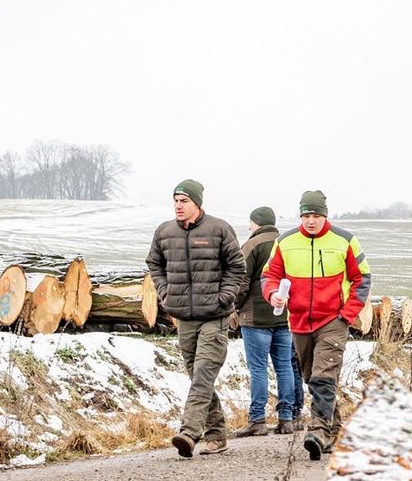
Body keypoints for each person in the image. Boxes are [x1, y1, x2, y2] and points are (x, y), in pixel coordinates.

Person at [261, 190, 371, 461]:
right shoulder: (285, 241)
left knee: (324, 375)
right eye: (306, 215)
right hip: (298, 321)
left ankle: (319, 432)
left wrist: (347, 314)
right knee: (312, 377)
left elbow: (362, 279)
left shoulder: (345, 241)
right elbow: (269, 275)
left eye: (316, 215)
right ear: (301, 215)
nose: (311, 220)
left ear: (325, 215)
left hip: (333, 320)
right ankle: (335, 429)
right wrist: (273, 293)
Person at [147, 179, 247, 459]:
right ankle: (216, 434)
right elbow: (154, 263)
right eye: (176, 201)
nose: (179, 206)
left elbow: (237, 267)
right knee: (197, 376)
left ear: (197, 203)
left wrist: (224, 297)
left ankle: (189, 432)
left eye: (184, 201)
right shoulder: (164, 232)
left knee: (203, 372)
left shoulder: (218, 229)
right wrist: (165, 291)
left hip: (215, 316)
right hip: (184, 317)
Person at [234, 206, 298, 437]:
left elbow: (241, 280)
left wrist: (236, 307)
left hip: (255, 317)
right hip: (284, 315)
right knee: (284, 367)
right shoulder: (286, 244)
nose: (249, 227)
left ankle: (257, 420)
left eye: (250, 223)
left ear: (257, 223)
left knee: (259, 369)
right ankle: (287, 418)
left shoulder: (251, 244)